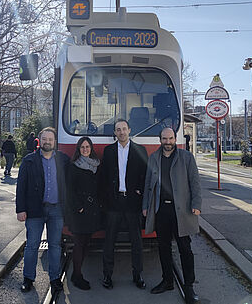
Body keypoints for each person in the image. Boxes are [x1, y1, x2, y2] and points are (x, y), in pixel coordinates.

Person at [143, 127, 202, 304]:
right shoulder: (154, 157)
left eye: (170, 138)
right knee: (163, 248)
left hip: (181, 211)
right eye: (164, 139)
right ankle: (167, 281)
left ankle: (189, 286)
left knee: (185, 249)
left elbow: (195, 182)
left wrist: (196, 205)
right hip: (161, 210)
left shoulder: (186, 157)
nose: (167, 142)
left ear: (175, 138)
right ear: (159, 140)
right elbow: (148, 183)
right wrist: (146, 206)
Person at [16, 127, 70, 294]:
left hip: (57, 210)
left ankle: (55, 279)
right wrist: (20, 209)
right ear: (40, 141)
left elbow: (70, 183)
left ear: (55, 141)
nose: (48, 142)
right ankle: (28, 278)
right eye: (45, 139)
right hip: (34, 211)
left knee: (55, 246)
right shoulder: (29, 160)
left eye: (51, 139)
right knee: (32, 246)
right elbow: (21, 186)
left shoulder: (63, 159)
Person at [100, 119, 148, 290]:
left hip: (132, 202)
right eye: (118, 130)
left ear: (130, 130)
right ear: (114, 133)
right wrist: (106, 198)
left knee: (137, 242)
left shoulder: (140, 150)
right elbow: (103, 177)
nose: (121, 132)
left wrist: (139, 192)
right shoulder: (108, 151)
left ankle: (138, 275)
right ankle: (107, 275)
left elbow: (145, 176)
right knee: (109, 241)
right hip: (114, 202)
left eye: (124, 129)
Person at [67, 137, 101, 290]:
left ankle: (77, 273)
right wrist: (78, 207)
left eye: (87, 147)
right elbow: (69, 190)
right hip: (79, 211)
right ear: (78, 149)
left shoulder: (95, 165)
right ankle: (77, 275)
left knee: (87, 242)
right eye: (82, 147)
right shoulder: (74, 166)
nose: (85, 149)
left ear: (91, 148)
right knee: (79, 243)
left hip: (92, 210)